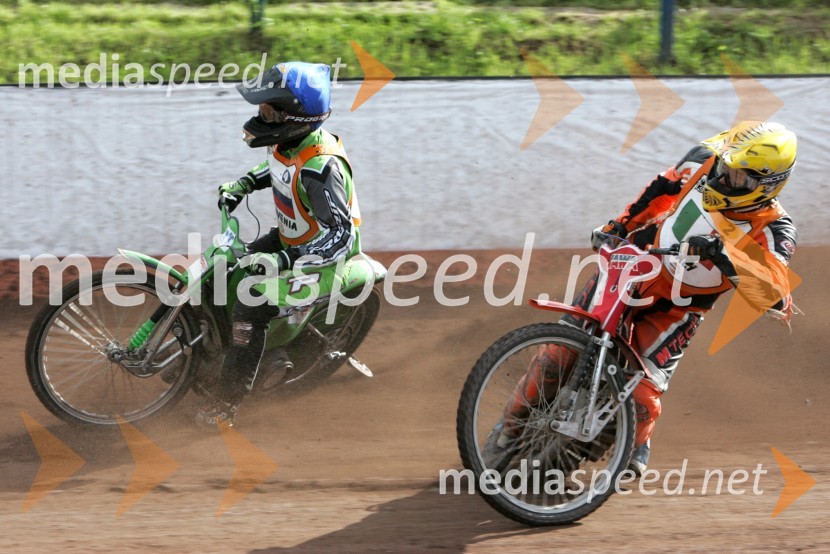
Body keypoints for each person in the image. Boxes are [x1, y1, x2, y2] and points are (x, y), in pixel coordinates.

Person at [495, 120, 799, 474]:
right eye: (725, 165)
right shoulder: (706, 157)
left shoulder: (776, 230)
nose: (723, 176)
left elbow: (777, 297)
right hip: (633, 265)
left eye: (738, 176)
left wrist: (727, 256)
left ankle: (632, 447)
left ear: (767, 184)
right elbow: (662, 188)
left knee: (642, 396)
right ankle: (506, 431)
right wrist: (619, 226)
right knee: (558, 355)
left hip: (677, 310)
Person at [196, 61, 363, 428]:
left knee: (251, 304)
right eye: (263, 108)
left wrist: (288, 258)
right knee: (223, 271)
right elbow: (276, 166)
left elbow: (340, 235)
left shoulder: (322, 168)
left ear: (297, 116)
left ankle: (226, 404)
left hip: (323, 259)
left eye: (270, 110)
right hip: (292, 238)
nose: (262, 115)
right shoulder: (288, 143)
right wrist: (242, 185)